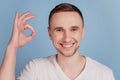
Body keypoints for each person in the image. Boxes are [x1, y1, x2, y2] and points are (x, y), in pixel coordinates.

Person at [0, 3, 115, 80]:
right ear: (50, 33)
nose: (67, 38)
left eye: (74, 29)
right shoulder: (36, 69)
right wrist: (12, 46)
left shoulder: (104, 75)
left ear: (82, 32)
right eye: (59, 30)